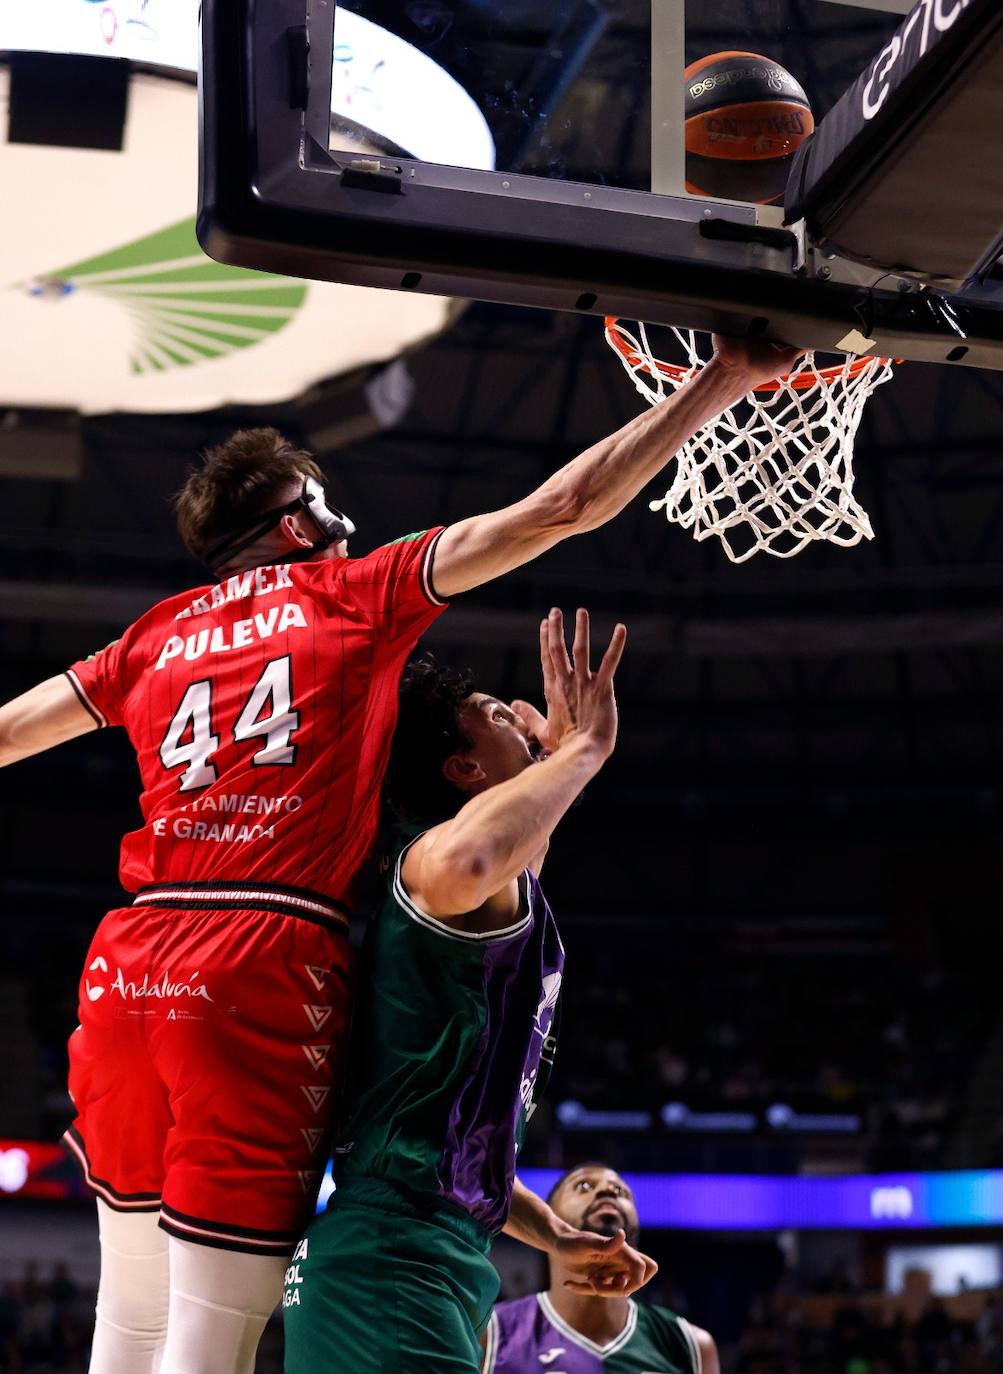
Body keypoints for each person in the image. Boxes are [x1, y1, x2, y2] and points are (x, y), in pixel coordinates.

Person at [0, 335, 797, 1374]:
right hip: (259, 948)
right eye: (328, 504)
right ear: (299, 525)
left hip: (128, 957)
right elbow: (560, 508)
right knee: (208, 1333)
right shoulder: (353, 592)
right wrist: (719, 383)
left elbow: (8, 733)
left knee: (130, 1316)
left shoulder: (149, 636)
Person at [283, 608, 656, 1372]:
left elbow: (454, 1146)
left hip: (429, 1250)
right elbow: (471, 859)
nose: (523, 720)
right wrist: (581, 751)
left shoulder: (501, 900)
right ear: (463, 770)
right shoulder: (431, 865)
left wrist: (553, 1234)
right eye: (496, 716)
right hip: (390, 1253)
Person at [484, 1161, 721, 1374]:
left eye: (621, 1191)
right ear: (548, 1216)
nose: (607, 1191)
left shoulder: (691, 1344)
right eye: (584, 1186)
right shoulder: (491, 1333)